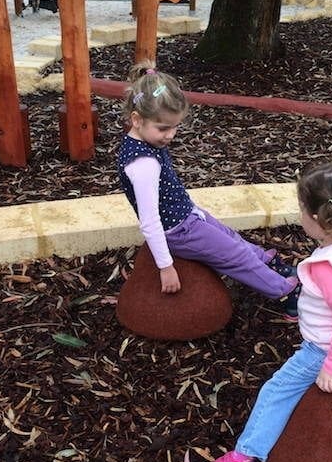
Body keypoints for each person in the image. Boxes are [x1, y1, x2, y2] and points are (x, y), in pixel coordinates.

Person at [197, 159, 332, 462]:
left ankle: (244, 458)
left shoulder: (326, 267)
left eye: (301, 208)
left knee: (276, 391)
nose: (300, 214)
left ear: (317, 217)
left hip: (326, 350)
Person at [117, 60, 300, 317]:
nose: (170, 135)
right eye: (163, 128)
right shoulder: (143, 164)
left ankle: (269, 265)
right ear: (137, 120)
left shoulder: (148, 143)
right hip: (178, 232)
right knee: (234, 256)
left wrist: (194, 211)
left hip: (187, 216)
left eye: (175, 127)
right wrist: (166, 266)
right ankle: (285, 294)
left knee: (232, 238)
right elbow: (149, 221)